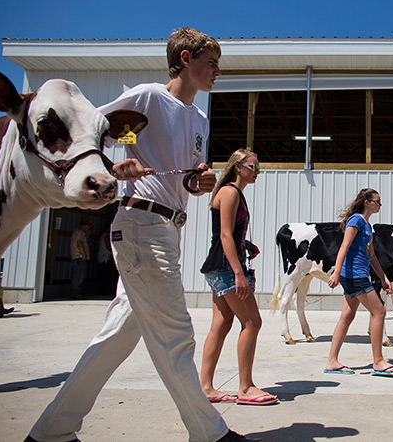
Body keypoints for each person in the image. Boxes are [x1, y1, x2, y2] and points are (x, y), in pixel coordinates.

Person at [26, 28, 262, 442]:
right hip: (142, 224)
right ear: (186, 59)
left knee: (117, 337)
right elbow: (98, 131)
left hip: (168, 227)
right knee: (176, 333)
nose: (217, 73)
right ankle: (210, 433)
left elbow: (187, 176)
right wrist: (116, 166)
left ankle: (52, 431)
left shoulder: (199, 118)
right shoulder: (149, 97)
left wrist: (199, 181)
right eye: (211, 64)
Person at [199, 149, 278, 406]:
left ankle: (206, 387)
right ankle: (245, 388)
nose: (257, 172)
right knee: (252, 322)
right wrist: (238, 273)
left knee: (221, 324)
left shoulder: (233, 193)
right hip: (225, 267)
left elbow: (229, 234)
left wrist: (246, 245)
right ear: (238, 167)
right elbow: (223, 236)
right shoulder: (231, 192)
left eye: (258, 168)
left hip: (220, 264)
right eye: (253, 167)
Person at [324, 188, 393, 377]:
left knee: (347, 316)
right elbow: (344, 246)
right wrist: (335, 272)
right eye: (377, 201)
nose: (379, 205)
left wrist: (383, 278)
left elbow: (372, 255)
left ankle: (332, 362)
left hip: (358, 274)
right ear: (366, 202)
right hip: (354, 275)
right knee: (379, 312)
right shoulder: (356, 220)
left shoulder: (367, 225)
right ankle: (378, 361)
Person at [70, 220, 92, 299]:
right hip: (78, 257)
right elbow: (79, 243)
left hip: (78, 257)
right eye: (88, 228)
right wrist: (83, 254)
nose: (87, 230)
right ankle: (75, 293)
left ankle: (76, 292)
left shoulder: (78, 232)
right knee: (78, 276)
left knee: (78, 275)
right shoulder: (79, 232)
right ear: (84, 226)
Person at [97, 225, 118, 295]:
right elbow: (108, 246)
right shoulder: (106, 236)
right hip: (105, 258)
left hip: (103, 257)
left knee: (103, 274)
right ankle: (105, 290)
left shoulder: (103, 235)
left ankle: (103, 290)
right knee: (106, 275)